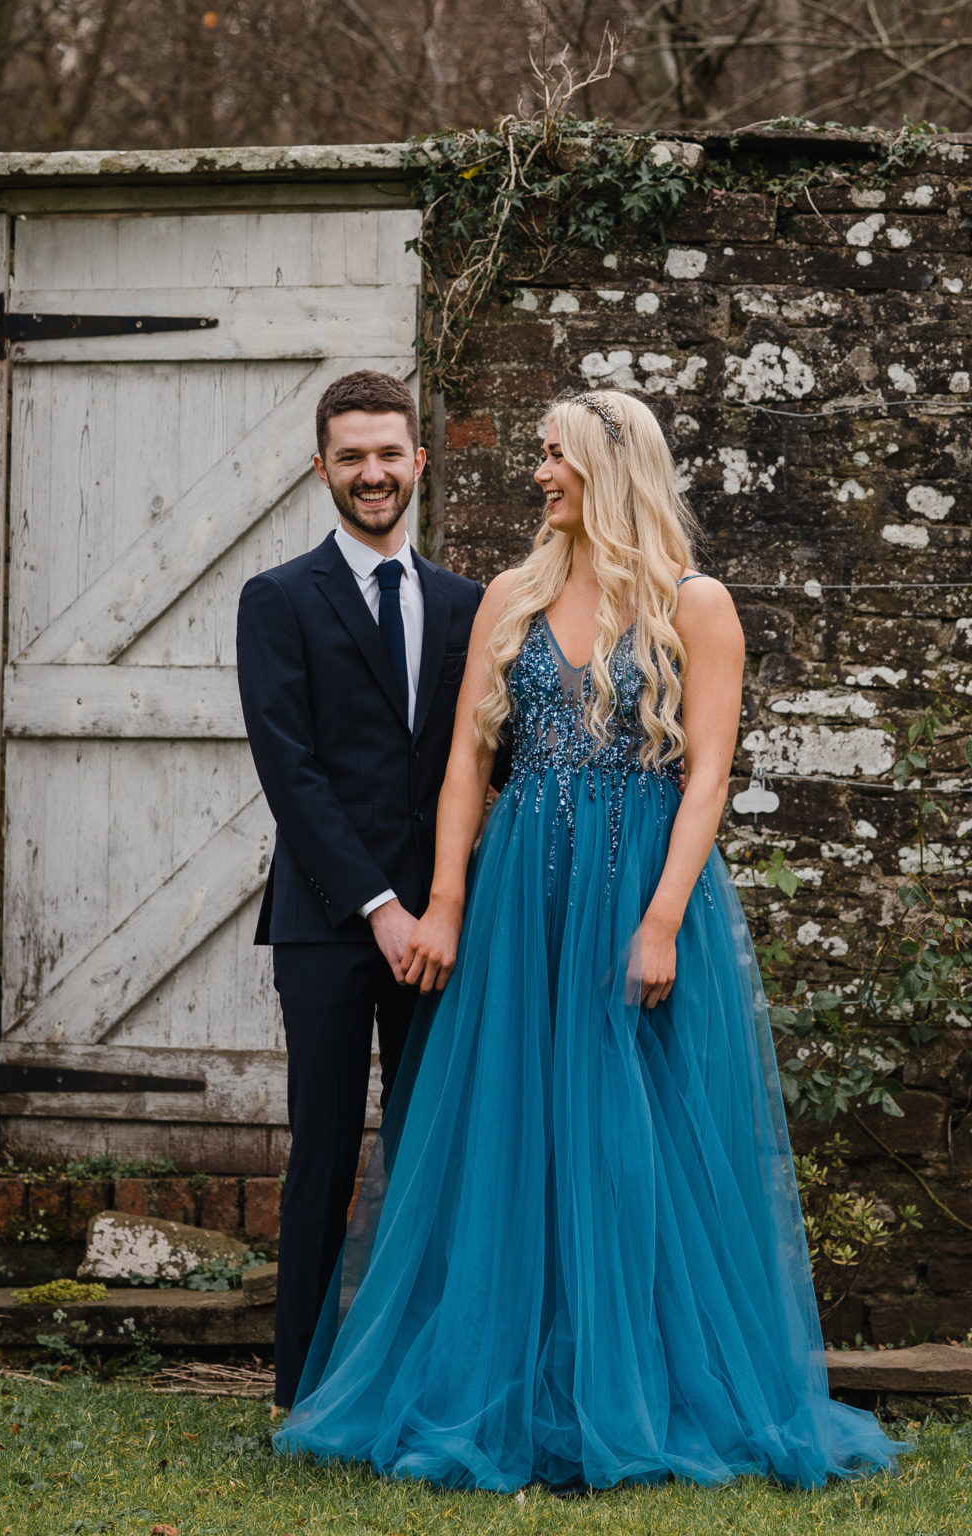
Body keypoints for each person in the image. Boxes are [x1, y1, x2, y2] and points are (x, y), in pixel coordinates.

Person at [272, 388, 910, 1492]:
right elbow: (471, 762)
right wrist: (453, 903)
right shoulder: (511, 597)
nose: (536, 474)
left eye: (552, 455)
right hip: (524, 894)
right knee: (513, 1133)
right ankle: (506, 1378)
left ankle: (637, 1387)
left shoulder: (693, 603)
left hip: (640, 893)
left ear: (610, 466)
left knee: (632, 1143)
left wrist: (661, 918)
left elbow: (707, 772)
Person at [236, 370, 485, 1411]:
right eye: (352, 457)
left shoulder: (475, 606)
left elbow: (480, 766)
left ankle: (419, 1377)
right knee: (324, 1157)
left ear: (419, 460)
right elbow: (290, 771)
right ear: (321, 469)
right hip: (331, 925)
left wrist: (442, 906)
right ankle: (304, 1387)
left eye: (390, 453)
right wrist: (379, 908)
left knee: (434, 1154)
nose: (373, 473)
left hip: (442, 928)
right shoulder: (279, 598)